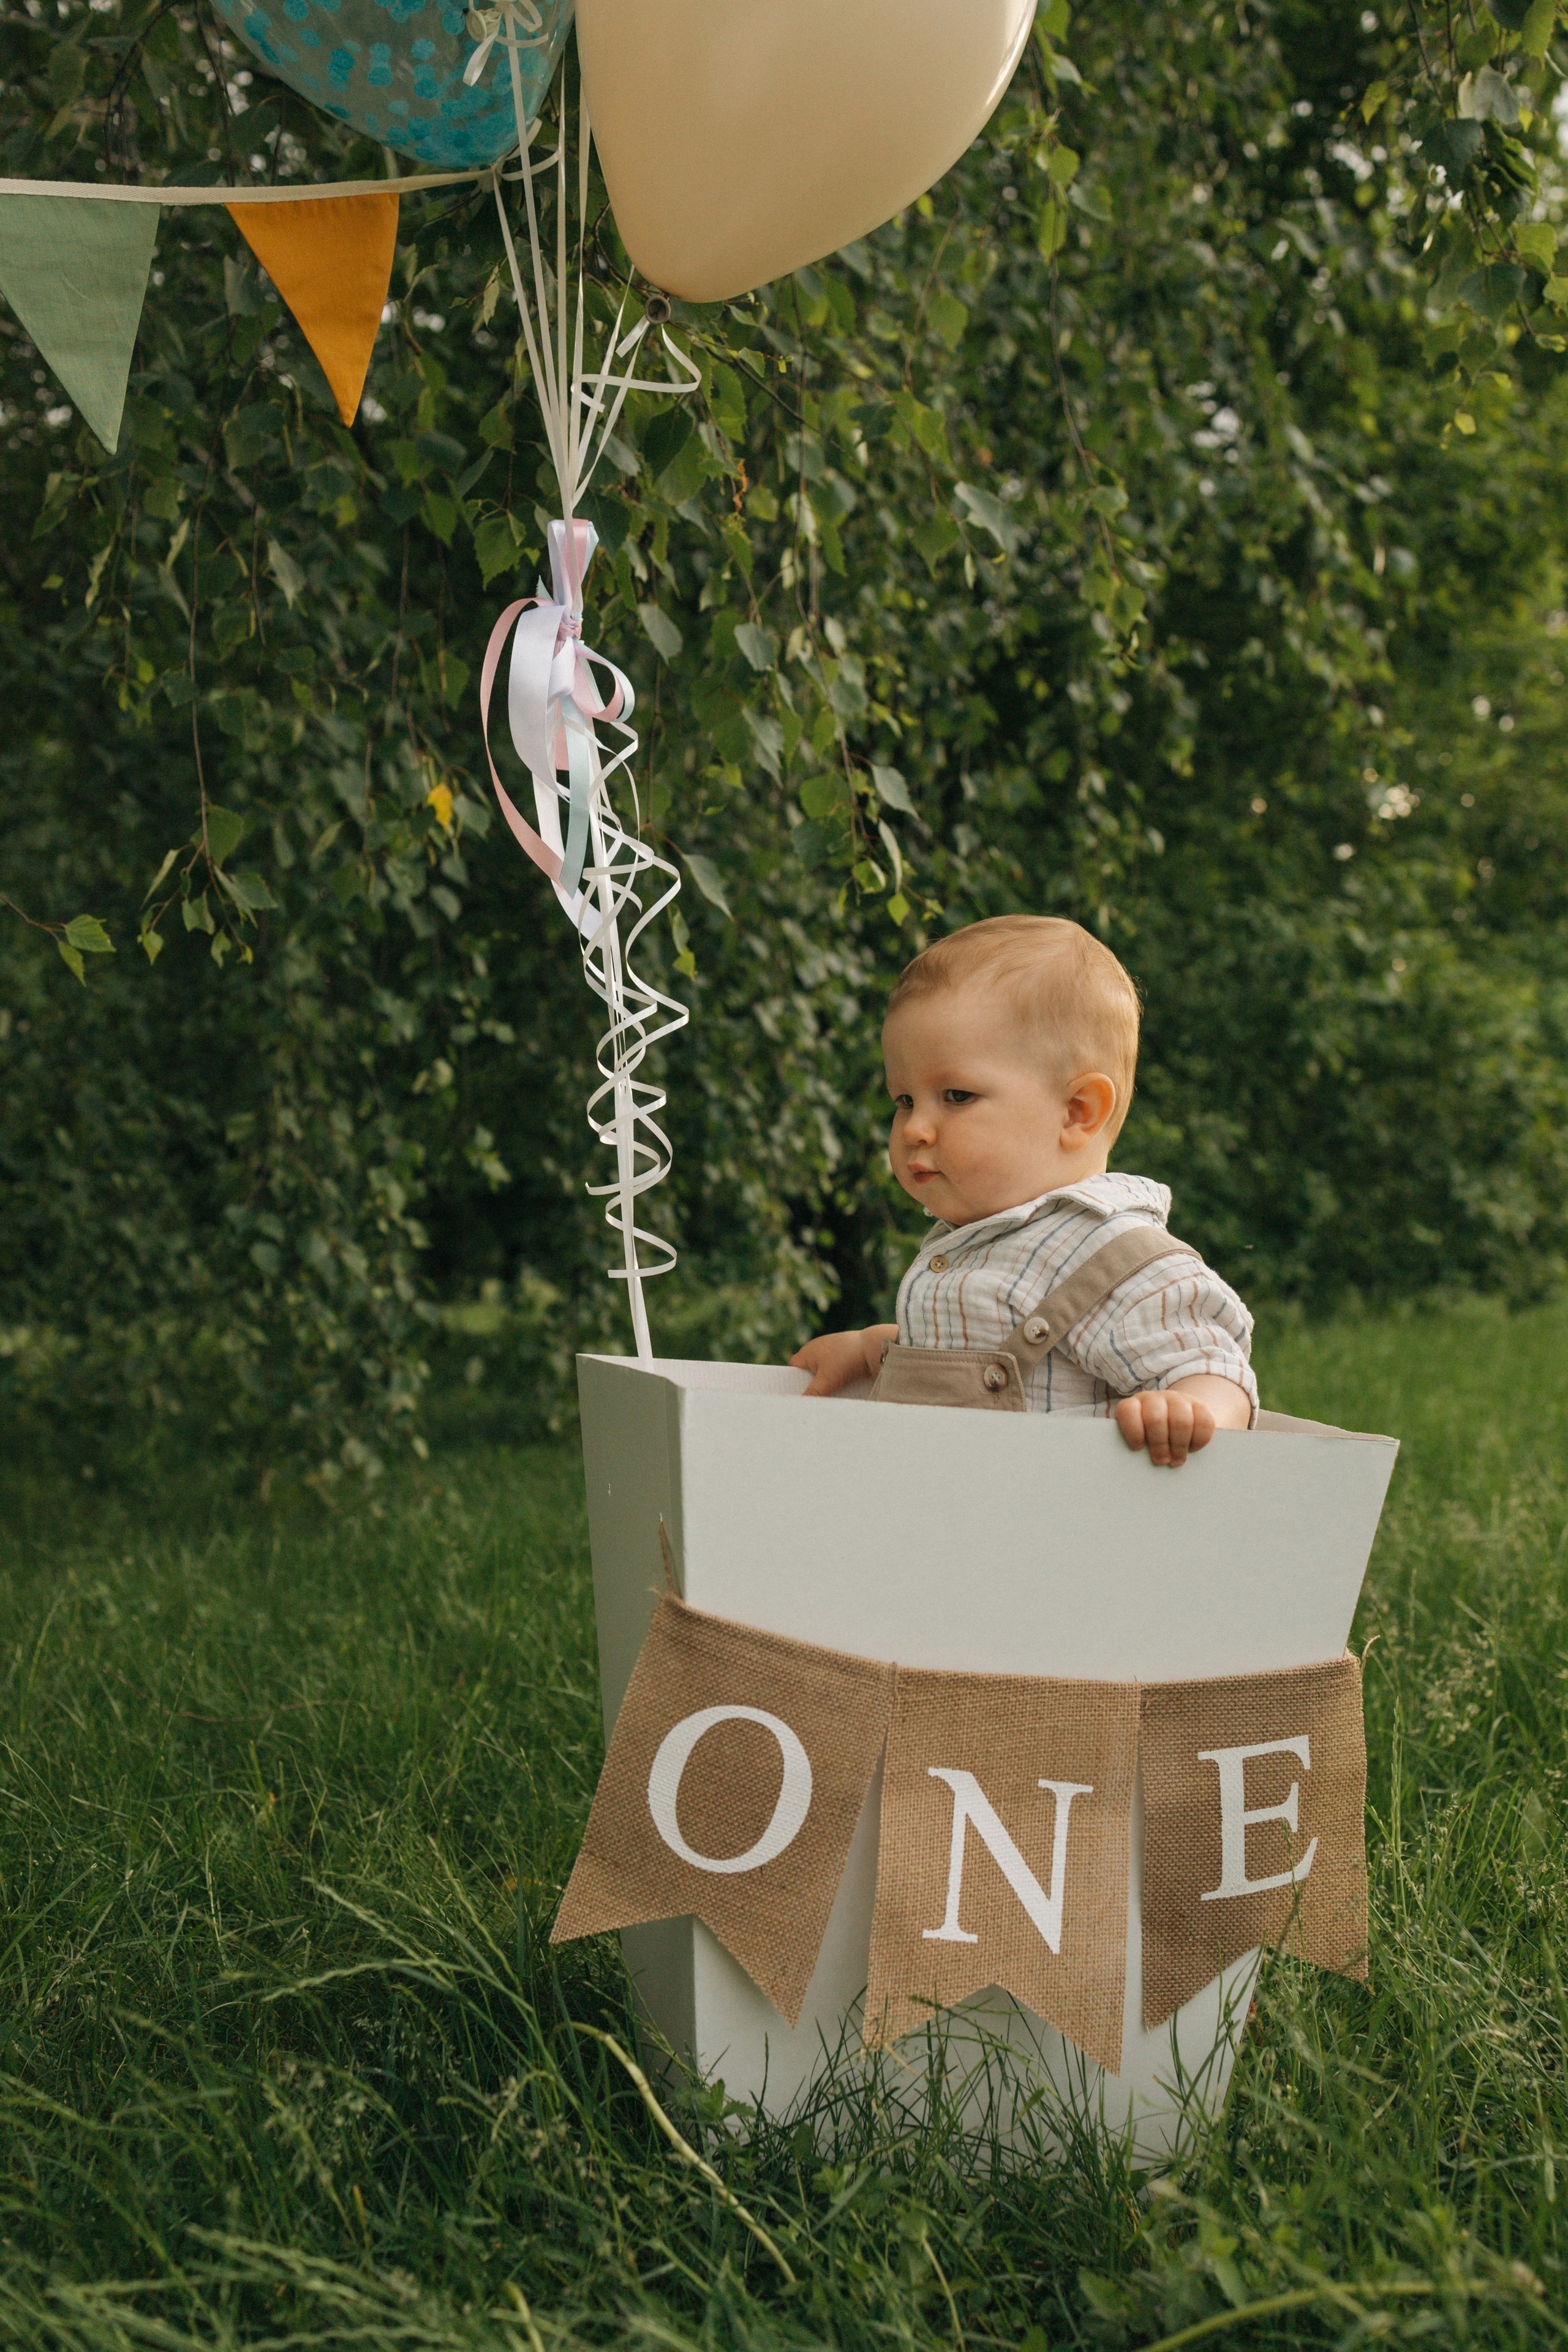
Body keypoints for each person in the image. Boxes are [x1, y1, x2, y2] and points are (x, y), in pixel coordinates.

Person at [788, 915, 1256, 1468]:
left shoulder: (1113, 1254)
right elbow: (977, 1352)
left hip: (1060, 1529)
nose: (914, 1128)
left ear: (1078, 1113)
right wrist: (873, 1350)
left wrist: (1188, 1409)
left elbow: (1219, 1369)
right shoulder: (981, 1241)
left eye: (956, 1096)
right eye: (904, 1100)